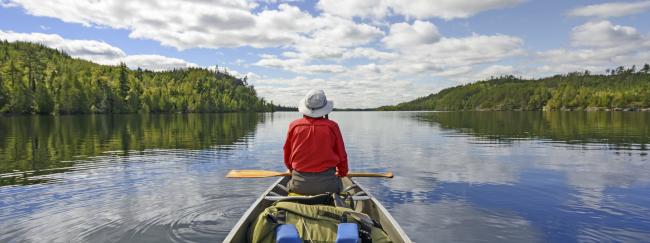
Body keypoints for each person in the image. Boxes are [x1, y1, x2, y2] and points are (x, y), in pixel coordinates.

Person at [283, 89, 349, 195]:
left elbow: (287, 152)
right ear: (325, 109)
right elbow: (342, 155)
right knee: (341, 187)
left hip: (299, 186)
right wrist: (342, 172)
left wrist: (291, 169)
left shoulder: (294, 125)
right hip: (328, 187)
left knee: (289, 185)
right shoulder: (332, 126)